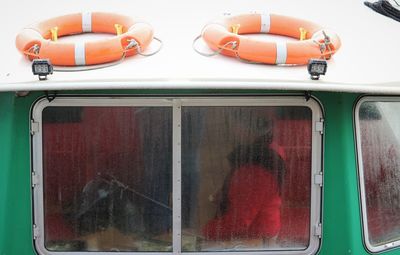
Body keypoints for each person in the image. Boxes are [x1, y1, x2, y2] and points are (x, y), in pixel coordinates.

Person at [202, 125, 285, 245]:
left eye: (236, 123)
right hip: (255, 235)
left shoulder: (254, 172)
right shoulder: (266, 155)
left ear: (249, 132)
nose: (230, 129)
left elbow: (239, 222)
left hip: (253, 241)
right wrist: (226, 195)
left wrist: (203, 231)